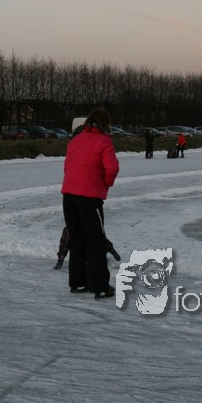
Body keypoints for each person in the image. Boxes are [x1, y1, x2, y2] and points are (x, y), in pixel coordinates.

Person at [61, 107, 120, 299]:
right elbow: (112, 168)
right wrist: (105, 184)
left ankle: (78, 282)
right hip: (89, 197)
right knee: (96, 241)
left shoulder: (75, 140)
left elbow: (67, 166)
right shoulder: (104, 141)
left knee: (76, 238)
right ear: (106, 124)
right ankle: (100, 286)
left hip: (69, 195)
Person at [53, 226, 121, 270]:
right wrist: (61, 259)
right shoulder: (69, 229)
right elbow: (64, 243)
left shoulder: (90, 227)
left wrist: (112, 251)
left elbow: (102, 240)